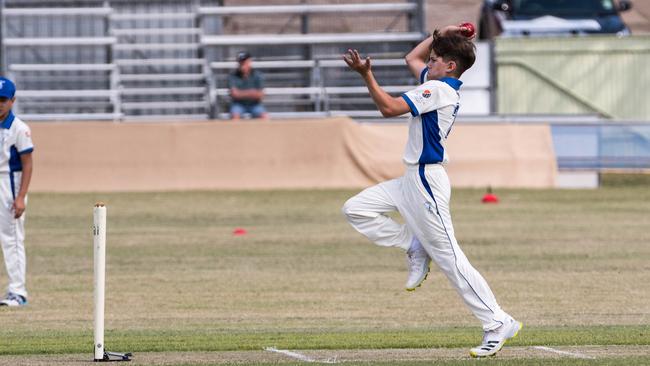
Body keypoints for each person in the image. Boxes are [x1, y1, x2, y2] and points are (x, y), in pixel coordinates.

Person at [341, 25, 521, 358]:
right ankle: (413, 244)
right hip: (410, 178)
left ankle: (498, 321)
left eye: (436, 58)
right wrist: (444, 33)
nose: (430, 61)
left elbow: (389, 108)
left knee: (451, 259)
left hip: (426, 182)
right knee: (356, 208)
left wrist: (366, 76)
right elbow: (413, 56)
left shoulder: (439, 89)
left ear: (450, 66)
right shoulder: (436, 82)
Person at [0, 77, 33, 307]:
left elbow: (28, 163)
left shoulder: (19, 128)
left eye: (3, 100)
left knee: (12, 237)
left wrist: (21, 196)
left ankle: (18, 291)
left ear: (12, 100)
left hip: (9, 184)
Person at [228, 51, 268, 120]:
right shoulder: (233, 75)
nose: (242, 64)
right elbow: (234, 94)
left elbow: (261, 95)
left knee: (264, 116)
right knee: (235, 116)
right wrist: (252, 92)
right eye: (240, 62)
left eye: (244, 62)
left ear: (249, 62)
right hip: (238, 104)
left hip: (254, 104)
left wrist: (241, 93)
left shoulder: (257, 75)